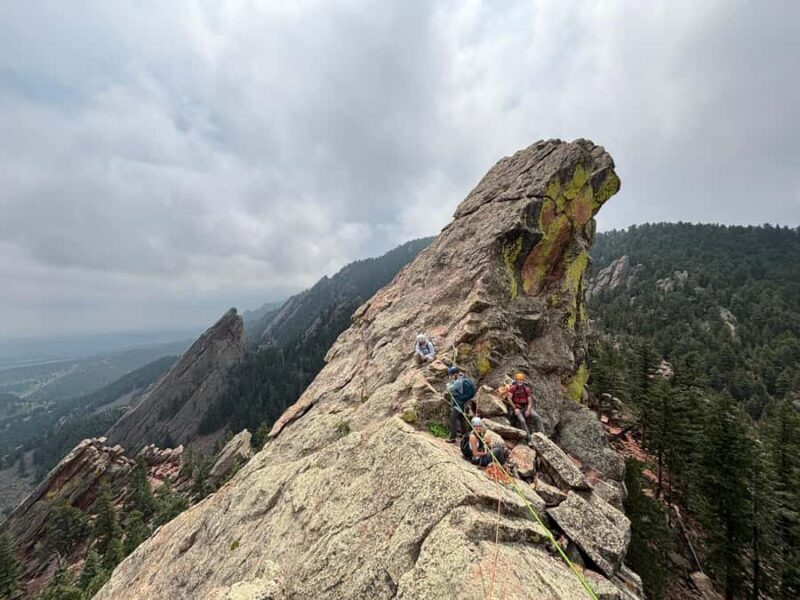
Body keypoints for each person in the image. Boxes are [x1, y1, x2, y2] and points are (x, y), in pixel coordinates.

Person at [506, 372, 544, 442]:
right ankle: (529, 439)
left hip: (526, 407)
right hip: (517, 408)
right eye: (518, 379)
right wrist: (515, 408)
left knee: (537, 417)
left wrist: (528, 410)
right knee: (522, 421)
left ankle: (541, 434)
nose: (520, 381)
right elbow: (509, 398)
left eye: (521, 380)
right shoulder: (513, 388)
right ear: (516, 380)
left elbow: (530, 401)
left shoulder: (526, 389)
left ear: (523, 380)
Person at [445, 366, 476, 443]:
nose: (451, 376)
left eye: (451, 375)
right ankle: (465, 434)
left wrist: (448, 385)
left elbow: (450, 389)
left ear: (455, 374)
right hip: (462, 402)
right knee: (461, 418)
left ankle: (452, 437)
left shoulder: (458, 382)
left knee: (452, 419)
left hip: (459, 403)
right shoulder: (462, 377)